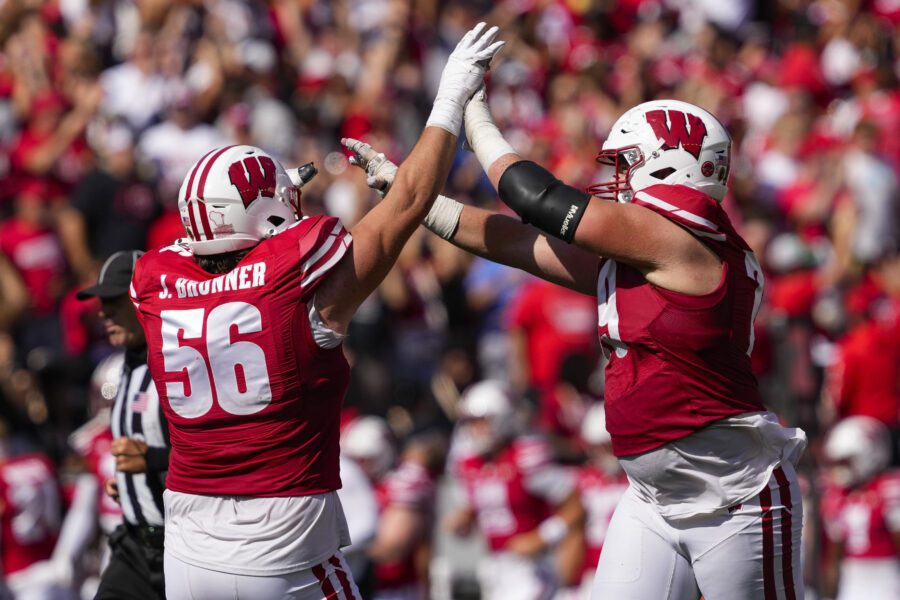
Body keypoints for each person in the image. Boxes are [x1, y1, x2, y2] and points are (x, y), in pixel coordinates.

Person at [343, 92, 808, 599]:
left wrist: (472, 115)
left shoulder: (684, 243)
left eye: (627, 164)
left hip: (733, 496)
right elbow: (517, 243)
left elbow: (534, 199)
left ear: (670, 166)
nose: (617, 179)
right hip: (651, 497)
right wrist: (411, 200)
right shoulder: (652, 256)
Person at [127, 23, 504, 599]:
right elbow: (406, 203)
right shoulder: (301, 287)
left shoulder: (155, 284)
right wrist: (450, 97)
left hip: (186, 551)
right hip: (283, 546)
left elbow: (211, 251)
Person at [76, 250, 170, 600]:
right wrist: (133, 485)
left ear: (145, 299)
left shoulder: (180, 363)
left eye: (116, 300)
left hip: (182, 546)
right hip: (133, 545)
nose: (104, 312)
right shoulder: (127, 365)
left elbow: (218, 454)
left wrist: (152, 462)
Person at [445, 380, 584, 600]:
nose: (476, 429)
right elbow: (473, 516)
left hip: (532, 568)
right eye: (471, 422)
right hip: (494, 568)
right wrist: (461, 520)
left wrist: (541, 537)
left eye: (482, 421)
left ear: (502, 417)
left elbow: (576, 507)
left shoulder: (525, 457)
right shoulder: (469, 463)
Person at [342, 416, 438, 600]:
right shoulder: (359, 484)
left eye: (365, 459)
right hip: (361, 585)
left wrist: (331, 551)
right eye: (354, 459)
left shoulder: (405, 481)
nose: (358, 467)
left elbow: (392, 548)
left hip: (396, 589)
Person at [820, 416, 900, 600]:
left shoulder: (889, 489)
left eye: (847, 461)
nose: (840, 469)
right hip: (851, 584)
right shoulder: (838, 495)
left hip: (887, 582)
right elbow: (834, 558)